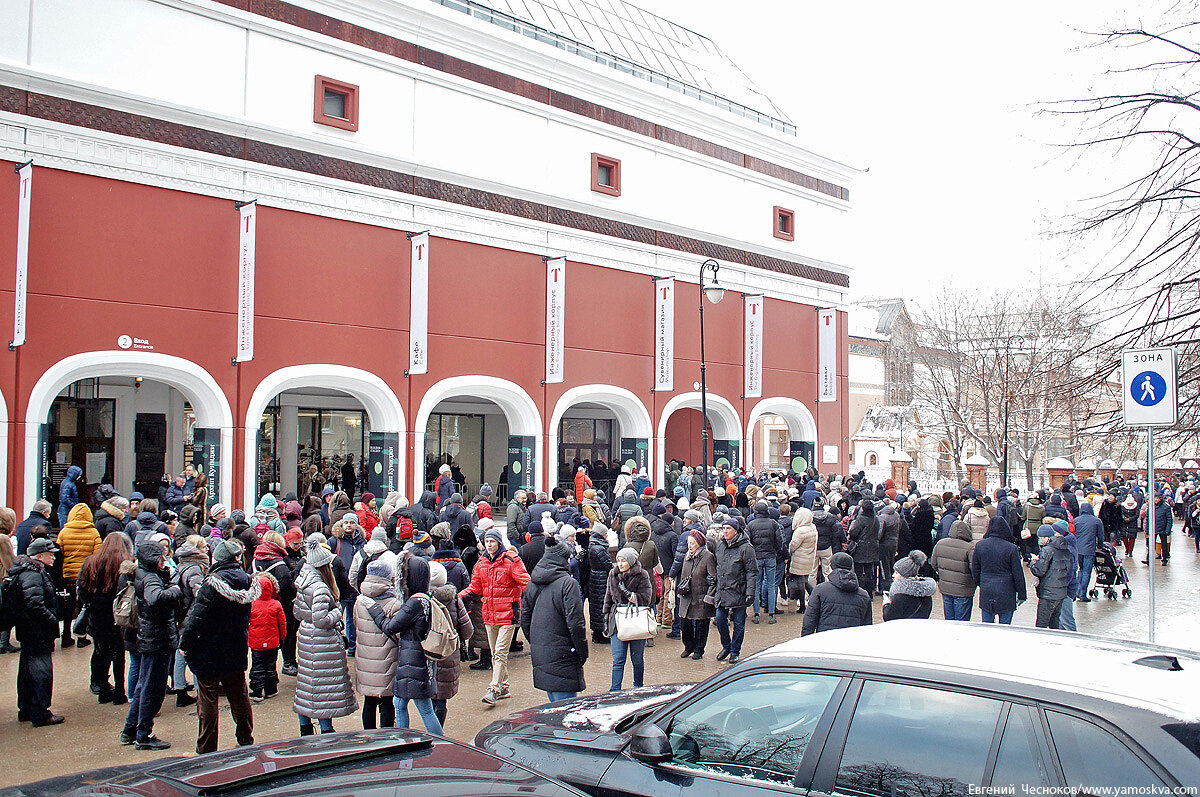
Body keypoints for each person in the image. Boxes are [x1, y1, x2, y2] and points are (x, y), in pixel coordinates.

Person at [178, 539, 256, 754]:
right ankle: (245, 737)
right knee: (239, 695)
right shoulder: (246, 580)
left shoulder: (212, 584)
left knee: (208, 699)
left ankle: (207, 747)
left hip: (209, 648)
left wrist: (185, 643)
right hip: (235, 646)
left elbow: (197, 617)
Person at [367, 555, 443, 734]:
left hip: (412, 661)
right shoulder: (426, 598)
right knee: (402, 703)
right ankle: (413, 739)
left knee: (421, 708)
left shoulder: (414, 603)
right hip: (420, 660)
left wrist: (374, 609)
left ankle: (427, 741)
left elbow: (390, 627)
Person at [293, 534, 357, 734]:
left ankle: (305, 729)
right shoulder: (320, 588)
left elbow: (298, 611)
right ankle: (326, 732)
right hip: (322, 643)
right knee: (323, 687)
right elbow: (321, 620)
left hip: (306, 637)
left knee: (307, 685)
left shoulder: (303, 579)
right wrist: (337, 611)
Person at [121, 541, 182, 750]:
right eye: (161, 557)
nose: (164, 560)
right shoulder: (149, 577)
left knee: (144, 684)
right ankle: (143, 734)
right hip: (156, 638)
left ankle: (130, 729)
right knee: (152, 687)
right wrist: (175, 590)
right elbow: (155, 598)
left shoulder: (142, 574)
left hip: (150, 637)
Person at [458, 528, 529, 706]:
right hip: (489, 615)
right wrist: (456, 596)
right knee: (496, 654)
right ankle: (504, 686)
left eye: (492, 541)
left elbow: (526, 582)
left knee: (499, 653)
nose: (489, 545)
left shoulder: (511, 561)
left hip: (508, 614)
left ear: (499, 542)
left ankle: (494, 688)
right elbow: (474, 588)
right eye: (487, 542)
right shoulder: (481, 564)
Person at [521, 536, 588, 702]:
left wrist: (537, 641)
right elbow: (576, 623)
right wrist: (581, 652)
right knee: (565, 711)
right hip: (564, 654)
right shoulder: (568, 584)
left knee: (554, 706)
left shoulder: (533, 583)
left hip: (542, 652)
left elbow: (525, 618)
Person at [9, 538, 63, 725]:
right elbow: (35, 603)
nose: (54, 557)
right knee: (41, 671)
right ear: (39, 556)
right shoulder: (33, 573)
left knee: (27, 669)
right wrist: (52, 619)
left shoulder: (28, 571)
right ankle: (40, 712)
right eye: (51, 554)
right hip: (37, 631)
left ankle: (26, 709)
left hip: (29, 630)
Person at [77, 534, 134, 704]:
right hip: (118, 613)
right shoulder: (127, 563)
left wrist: (90, 603)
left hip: (97, 613)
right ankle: (118, 691)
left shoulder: (91, 562)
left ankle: (102, 688)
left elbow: (82, 590)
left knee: (101, 650)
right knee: (118, 653)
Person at [353, 558, 402, 729]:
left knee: (369, 701)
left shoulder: (359, 601)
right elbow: (397, 633)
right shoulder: (394, 603)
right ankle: (386, 737)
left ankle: (369, 736)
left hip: (365, 659)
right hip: (387, 660)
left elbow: (355, 625)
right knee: (387, 701)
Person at [429, 559, 472, 728]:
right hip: (448, 653)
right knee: (441, 699)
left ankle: (430, 729)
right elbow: (467, 630)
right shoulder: (454, 599)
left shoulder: (419, 600)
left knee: (428, 697)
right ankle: (437, 730)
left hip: (426, 653)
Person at [603, 547, 653, 690]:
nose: (620, 563)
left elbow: (646, 599)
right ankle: (614, 690)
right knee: (618, 659)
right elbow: (608, 597)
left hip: (635, 619)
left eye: (623, 561)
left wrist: (629, 594)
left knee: (637, 659)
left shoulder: (642, 575)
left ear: (631, 561)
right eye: (618, 560)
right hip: (617, 620)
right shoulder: (613, 574)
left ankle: (638, 686)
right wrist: (606, 618)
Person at [58, 503, 101, 649]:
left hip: (68, 575)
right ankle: (81, 637)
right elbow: (97, 556)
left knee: (68, 606)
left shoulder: (64, 532)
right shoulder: (93, 533)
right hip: (86, 576)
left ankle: (65, 635)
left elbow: (60, 553)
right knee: (84, 605)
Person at [713, 519, 757, 665]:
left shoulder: (746, 548)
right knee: (720, 618)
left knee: (739, 622)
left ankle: (735, 651)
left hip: (739, 589)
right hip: (723, 589)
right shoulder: (721, 545)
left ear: (736, 530)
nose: (725, 531)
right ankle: (726, 646)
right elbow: (717, 566)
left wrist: (750, 592)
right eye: (723, 528)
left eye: (728, 528)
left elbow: (751, 571)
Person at [971, 516, 1026, 625]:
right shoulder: (1011, 548)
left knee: (986, 626)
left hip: (987, 588)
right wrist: (1022, 594)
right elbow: (1018, 573)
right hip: (1006, 590)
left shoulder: (980, 545)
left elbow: (975, 569)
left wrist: (980, 583)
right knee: (1005, 627)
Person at [801, 551, 872, 636]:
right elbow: (867, 628)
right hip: (852, 644)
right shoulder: (864, 596)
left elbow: (809, 620)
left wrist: (805, 641)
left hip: (824, 642)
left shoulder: (820, 590)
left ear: (831, 567)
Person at [675, 529, 716, 659]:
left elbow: (713, 577)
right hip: (687, 595)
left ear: (699, 543)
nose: (690, 546)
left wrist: (708, 596)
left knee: (701, 625)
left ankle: (699, 649)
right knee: (684, 623)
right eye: (688, 543)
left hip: (700, 596)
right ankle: (688, 646)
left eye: (692, 543)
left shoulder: (708, 556)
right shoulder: (687, 556)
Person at [248, 572, 286, 702]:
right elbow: (282, 623)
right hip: (272, 642)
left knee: (257, 665)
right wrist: (282, 637)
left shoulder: (251, 604)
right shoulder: (275, 604)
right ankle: (271, 689)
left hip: (256, 643)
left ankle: (257, 691)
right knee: (270, 665)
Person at [930, 520, 976, 621]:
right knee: (962, 621)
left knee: (949, 620)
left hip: (946, 588)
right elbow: (974, 569)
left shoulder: (940, 544)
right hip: (964, 589)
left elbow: (934, 564)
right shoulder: (970, 548)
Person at [746, 501, 782, 624]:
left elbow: (748, 542)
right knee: (771, 584)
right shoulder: (773, 523)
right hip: (771, 556)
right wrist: (775, 551)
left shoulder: (751, 525)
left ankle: (756, 614)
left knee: (756, 585)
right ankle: (771, 613)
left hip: (756, 557)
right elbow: (779, 541)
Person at [1030, 521, 1071, 630]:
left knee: (1041, 625)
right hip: (1060, 592)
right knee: (1054, 624)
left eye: (1041, 537)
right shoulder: (1065, 549)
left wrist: (1033, 563)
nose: (1039, 540)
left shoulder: (1047, 550)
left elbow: (1039, 571)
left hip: (1048, 593)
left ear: (1046, 537)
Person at [881, 550, 936, 620]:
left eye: (897, 573)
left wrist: (886, 604)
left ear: (905, 575)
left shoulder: (900, 597)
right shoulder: (926, 594)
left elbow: (888, 618)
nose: (893, 575)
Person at [1073, 501, 1103, 600]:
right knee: (1087, 571)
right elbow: (1100, 536)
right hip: (1089, 549)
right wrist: (1100, 546)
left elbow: (1073, 533)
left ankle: (1077, 590)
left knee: (1081, 570)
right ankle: (1082, 594)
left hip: (1078, 549)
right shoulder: (1097, 521)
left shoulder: (1076, 520)